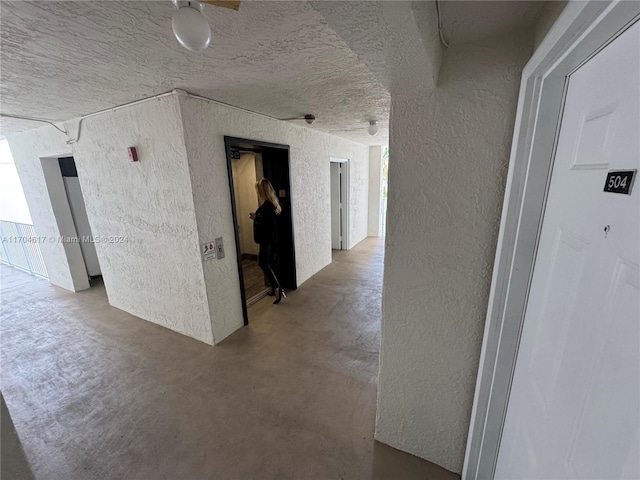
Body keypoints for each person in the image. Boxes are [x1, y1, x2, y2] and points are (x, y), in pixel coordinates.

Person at [250, 178, 286, 304]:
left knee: (263, 264)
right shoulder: (271, 204)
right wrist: (257, 217)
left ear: (262, 191)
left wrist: (256, 217)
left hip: (267, 242)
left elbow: (267, 225)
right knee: (269, 264)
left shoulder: (267, 206)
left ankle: (277, 289)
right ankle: (275, 288)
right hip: (270, 241)